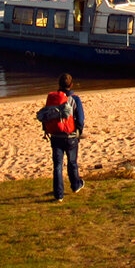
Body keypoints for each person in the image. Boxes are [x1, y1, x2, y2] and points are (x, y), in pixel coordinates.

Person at [48, 73, 85, 202]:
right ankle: (75, 185)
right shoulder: (75, 99)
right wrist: (79, 131)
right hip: (70, 136)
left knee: (57, 165)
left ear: (59, 85)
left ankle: (59, 195)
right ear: (71, 85)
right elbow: (80, 119)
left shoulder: (53, 98)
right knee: (72, 162)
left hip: (55, 135)